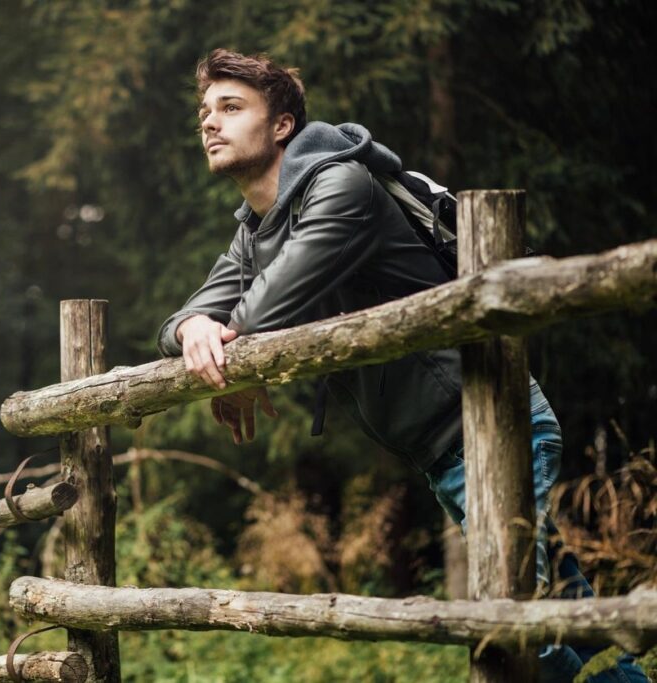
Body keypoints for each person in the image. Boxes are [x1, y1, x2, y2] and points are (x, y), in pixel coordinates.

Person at [156, 48, 649, 683]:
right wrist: (195, 327)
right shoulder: (255, 227)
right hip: (445, 447)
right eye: (205, 111)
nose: (209, 122)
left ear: (282, 126)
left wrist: (232, 351)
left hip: (490, 426)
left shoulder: (341, 186)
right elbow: (185, 321)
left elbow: (262, 309)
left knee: (518, 639)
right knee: (569, 629)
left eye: (230, 108)